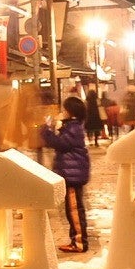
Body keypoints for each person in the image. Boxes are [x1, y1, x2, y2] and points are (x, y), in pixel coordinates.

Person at [40, 96, 93, 253]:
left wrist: (46, 130)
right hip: (72, 172)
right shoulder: (72, 126)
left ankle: (79, 242)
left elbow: (60, 144)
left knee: (74, 210)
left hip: (73, 175)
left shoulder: (73, 128)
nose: (62, 112)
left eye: (64, 109)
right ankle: (76, 240)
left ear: (71, 112)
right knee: (73, 209)